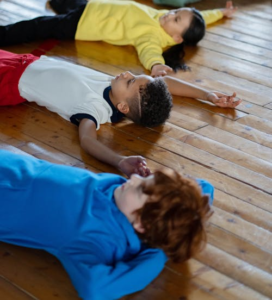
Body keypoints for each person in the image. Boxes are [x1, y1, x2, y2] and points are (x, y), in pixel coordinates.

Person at [0, 149, 214, 300]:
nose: (134, 179)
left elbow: (95, 289)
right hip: (11, 164)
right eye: (144, 180)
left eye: (140, 189)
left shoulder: (99, 239)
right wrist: (170, 237)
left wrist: (161, 251)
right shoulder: (125, 197)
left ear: (142, 224)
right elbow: (206, 187)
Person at [0, 50, 241, 176]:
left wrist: (119, 161)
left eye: (131, 81)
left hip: (9, 82)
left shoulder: (93, 108)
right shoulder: (119, 88)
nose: (127, 73)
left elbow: (86, 140)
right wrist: (208, 94)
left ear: (123, 108)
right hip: (24, 61)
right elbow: (164, 83)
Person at [0, 0, 237, 76]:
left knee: (38, 26)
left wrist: (156, 65)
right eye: (175, 12)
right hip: (92, 6)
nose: (171, 14)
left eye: (176, 19)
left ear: (176, 38)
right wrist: (221, 13)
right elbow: (200, 15)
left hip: (82, 24)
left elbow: (149, 52)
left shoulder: (151, 36)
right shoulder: (166, 22)